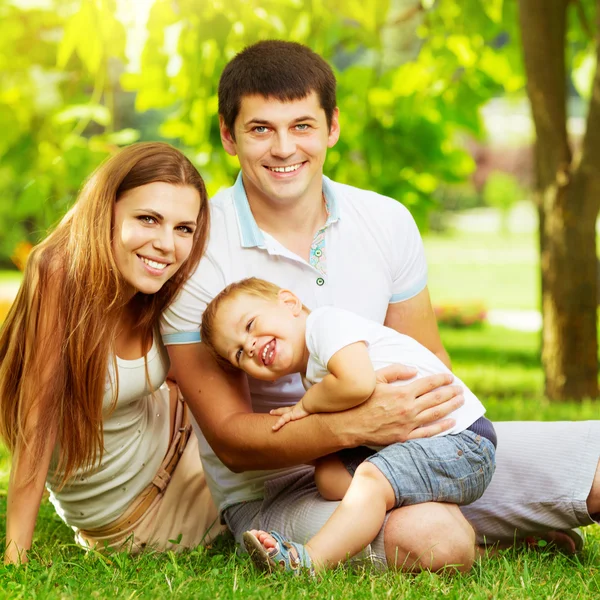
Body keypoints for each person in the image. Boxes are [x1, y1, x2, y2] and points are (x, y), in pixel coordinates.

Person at [161, 40, 600, 572]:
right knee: (433, 535)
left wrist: (421, 445)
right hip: (278, 485)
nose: (283, 148)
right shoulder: (196, 248)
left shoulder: (386, 219)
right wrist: (361, 424)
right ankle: (490, 535)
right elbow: (232, 440)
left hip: (410, 445)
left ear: (332, 127)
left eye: (301, 125)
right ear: (229, 135)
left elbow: (431, 368)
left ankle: (493, 516)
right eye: (260, 129)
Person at [0, 142, 223, 565]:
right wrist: (16, 556)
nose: (167, 245)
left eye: (183, 228)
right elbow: (37, 421)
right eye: (148, 219)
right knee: (281, 485)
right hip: (142, 509)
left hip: (183, 436)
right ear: (108, 210)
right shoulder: (58, 272)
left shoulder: (156, 284)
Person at [200, 277, 496, 573]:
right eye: (238, 354)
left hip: (462, 441)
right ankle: (391, 505)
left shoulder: (325, 326)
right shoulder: (313, 366)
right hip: (428, 441)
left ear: (290, 303)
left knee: (371, 477)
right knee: (329, 476)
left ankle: (311, 560)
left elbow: (358, 383)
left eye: (250, 325)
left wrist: (307, 404)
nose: (249, 346)